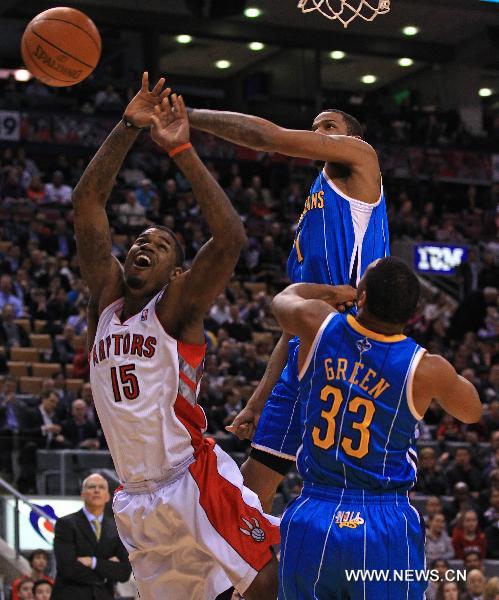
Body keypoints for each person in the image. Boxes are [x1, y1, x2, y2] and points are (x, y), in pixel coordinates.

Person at [75, 73, 279, 600]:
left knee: (269, 575)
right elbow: (88, 204)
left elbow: (230, 238)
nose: (145, 246)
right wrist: (127, 125)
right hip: (136, 496)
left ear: (175, 274)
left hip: (190, 477)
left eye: (161, 245)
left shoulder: (177, 311)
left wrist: (182, 148)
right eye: (140, 240)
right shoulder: (108, 303)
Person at [188, 105, 391, 511]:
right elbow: (294, 324)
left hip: (349, 350)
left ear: (351, 137)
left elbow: (267, 137)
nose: (320, 133)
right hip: (302, 355)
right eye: (316, 128)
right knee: (248, 492)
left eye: (329, 127)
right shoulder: (312, 208)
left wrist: (187, 115)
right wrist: (256, 402)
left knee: (345, 494)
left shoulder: (361, 160)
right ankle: (241, 574)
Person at [270, 257, 481, 599]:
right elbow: (472, 410)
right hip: (382, 522)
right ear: (413, 314)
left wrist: (334, 291)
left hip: (313, 513)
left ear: (362, 296)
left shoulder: (319, 324)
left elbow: (283, 298)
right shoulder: (425, 368)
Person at [52, 473, 131, 600]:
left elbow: (124, 573)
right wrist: (107, 570)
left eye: (101, 487)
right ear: (82, 494)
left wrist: (93, 562)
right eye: (91, 487)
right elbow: (67, 567)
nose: (96, 490)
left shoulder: (118, 528)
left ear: (107, 496)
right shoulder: (65, 524)